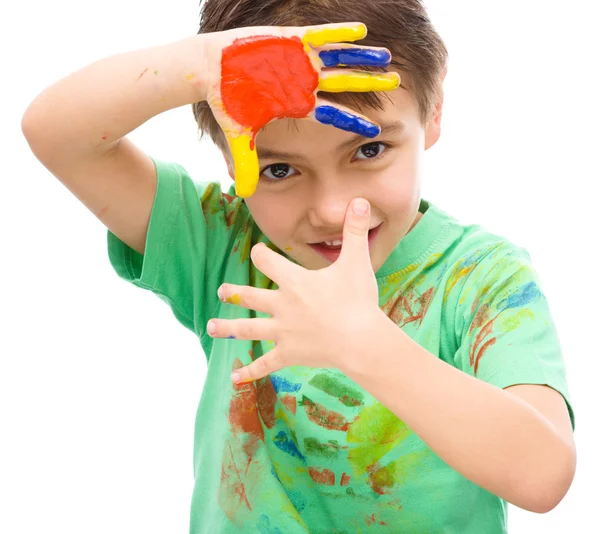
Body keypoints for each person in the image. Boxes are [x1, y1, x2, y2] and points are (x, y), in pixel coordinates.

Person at [21, 0, 576, 532]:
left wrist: (363, 342)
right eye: (281, 170)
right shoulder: (226, 245)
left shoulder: (480, 277)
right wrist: (203, 66)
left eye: (368, 150)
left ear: (431, 114)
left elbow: (542, 473)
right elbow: (56, 133)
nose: (333, 210)